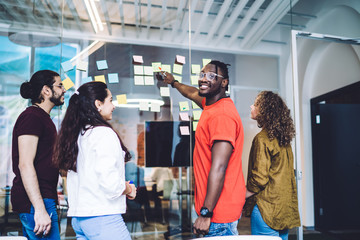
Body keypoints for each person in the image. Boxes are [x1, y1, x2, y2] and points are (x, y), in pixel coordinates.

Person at [157, 60, 246, 237]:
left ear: (224, 83)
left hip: (218, 214)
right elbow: (191, 92)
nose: (204, 79)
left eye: (211, 76)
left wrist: (206, 213)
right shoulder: (211, 105)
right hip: (217, 210)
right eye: (202, 75)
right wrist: (173, 83)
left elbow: (219, 168)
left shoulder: (222, 116)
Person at [52, 81, 136, 240]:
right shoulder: (103, 133)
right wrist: (128, 189)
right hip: (102, 218)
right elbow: (111, 184)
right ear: (98, 104)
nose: (113, 106)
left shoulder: (76, 135)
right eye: (110, 100)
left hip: (80, 219)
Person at [11, 70, 66, 239]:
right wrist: (40, 209)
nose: (64, 90)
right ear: (46, 90)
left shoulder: (43, 118)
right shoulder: (32, 117)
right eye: (60, 85)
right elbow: (25, 164)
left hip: (42, 199)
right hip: (36, 202)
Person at [244, 91, 301, 240]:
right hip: (283, 209)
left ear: (265, 110)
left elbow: (259, 179)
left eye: (256, 104)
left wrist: (240, 196)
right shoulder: (283, 139)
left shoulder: (262, 138)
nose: (251, 106)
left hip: (266, 209)